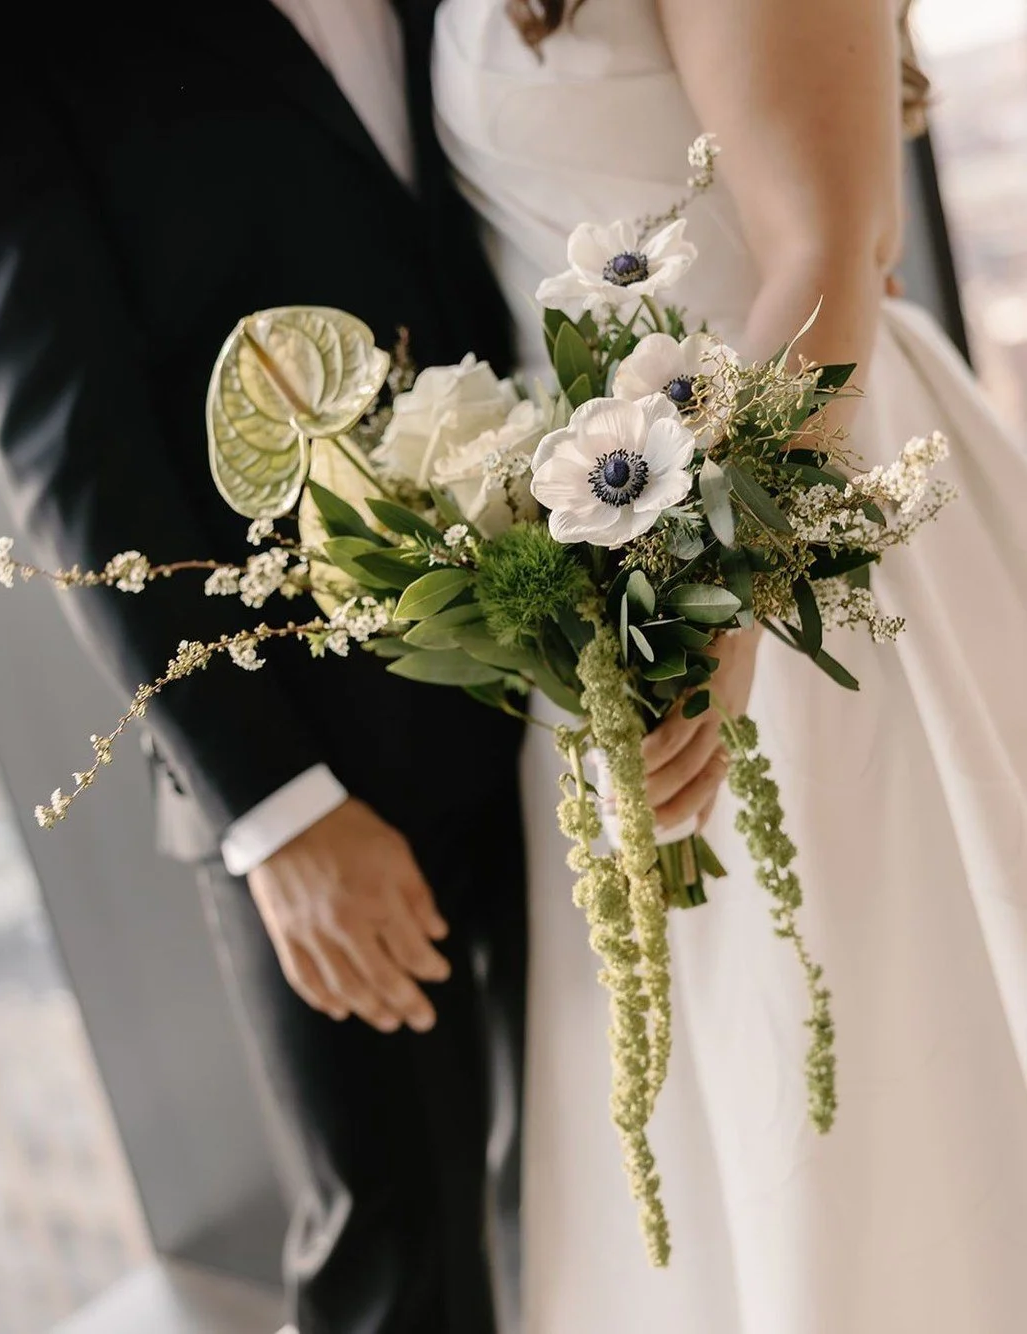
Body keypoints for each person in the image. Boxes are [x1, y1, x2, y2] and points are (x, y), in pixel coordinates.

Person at [433, 1, 1027, 1330]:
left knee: (888, 1082)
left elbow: (826, 247)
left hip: (791, 545)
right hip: (617, 564)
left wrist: (725, 603)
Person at [0, 2, 526, 1330]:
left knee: (591, 1184)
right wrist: (277, 811)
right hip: (322, 757)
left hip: (563, 668)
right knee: (400, 1263)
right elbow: (68, 449)